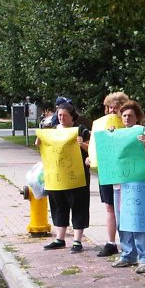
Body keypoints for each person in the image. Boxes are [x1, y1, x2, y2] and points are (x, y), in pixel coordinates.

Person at [36, 102, 91, 253]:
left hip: (77, 177)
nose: (61, 118)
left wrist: (83, 145)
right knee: (59, 206)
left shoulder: (80, 131)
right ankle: (60, 239)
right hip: (57, 177)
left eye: (64, 115)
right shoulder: (53, 131)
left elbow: (93, 148)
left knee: (78, 206)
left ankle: (77, 241)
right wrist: (39, 143)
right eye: (59, 115)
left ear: (72, 116)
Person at [112, 100, 145, 273]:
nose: (126, 118)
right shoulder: (117, 134)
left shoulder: (143, 132)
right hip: (120, 184)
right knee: (122, 221)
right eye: (124, 115)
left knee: (139, 220)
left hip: (138, 185)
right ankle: (128, 254)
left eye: (130, 115)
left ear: (137, 117)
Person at [94, 91, 129, 257]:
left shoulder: (130, 126)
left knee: (125, 207)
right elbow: (96, 147)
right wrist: (91, 158)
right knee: (109, 206)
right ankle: (111, 242)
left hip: (125, 171)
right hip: (107, 170)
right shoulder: (101, 125)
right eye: (109, 108)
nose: (111, 112)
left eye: (115, 108)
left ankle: (128, 242)